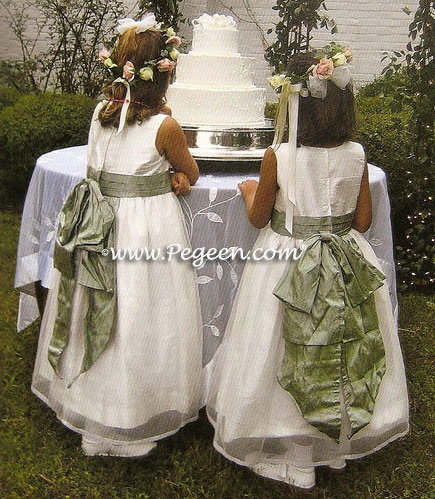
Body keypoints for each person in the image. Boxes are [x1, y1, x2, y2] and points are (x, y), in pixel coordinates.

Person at [206, 49, 409, 489]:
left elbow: (260, 218)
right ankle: (332, 441)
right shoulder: (357, 154)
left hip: (286, 260)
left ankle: (288, 441)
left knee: (281, 344)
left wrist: (246, 192)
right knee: (340, 341)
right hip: (343, 255)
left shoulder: (278, 155)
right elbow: (362, 222)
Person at [31, 14, 204, 457]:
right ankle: (135, 410)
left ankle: (89, 398)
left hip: (98, 223)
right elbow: (191, 171)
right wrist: (178, 177)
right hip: (144, 232)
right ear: (163, 77)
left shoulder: (100, 113)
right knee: (140, 310)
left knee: (96, 304)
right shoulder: (166, 127)